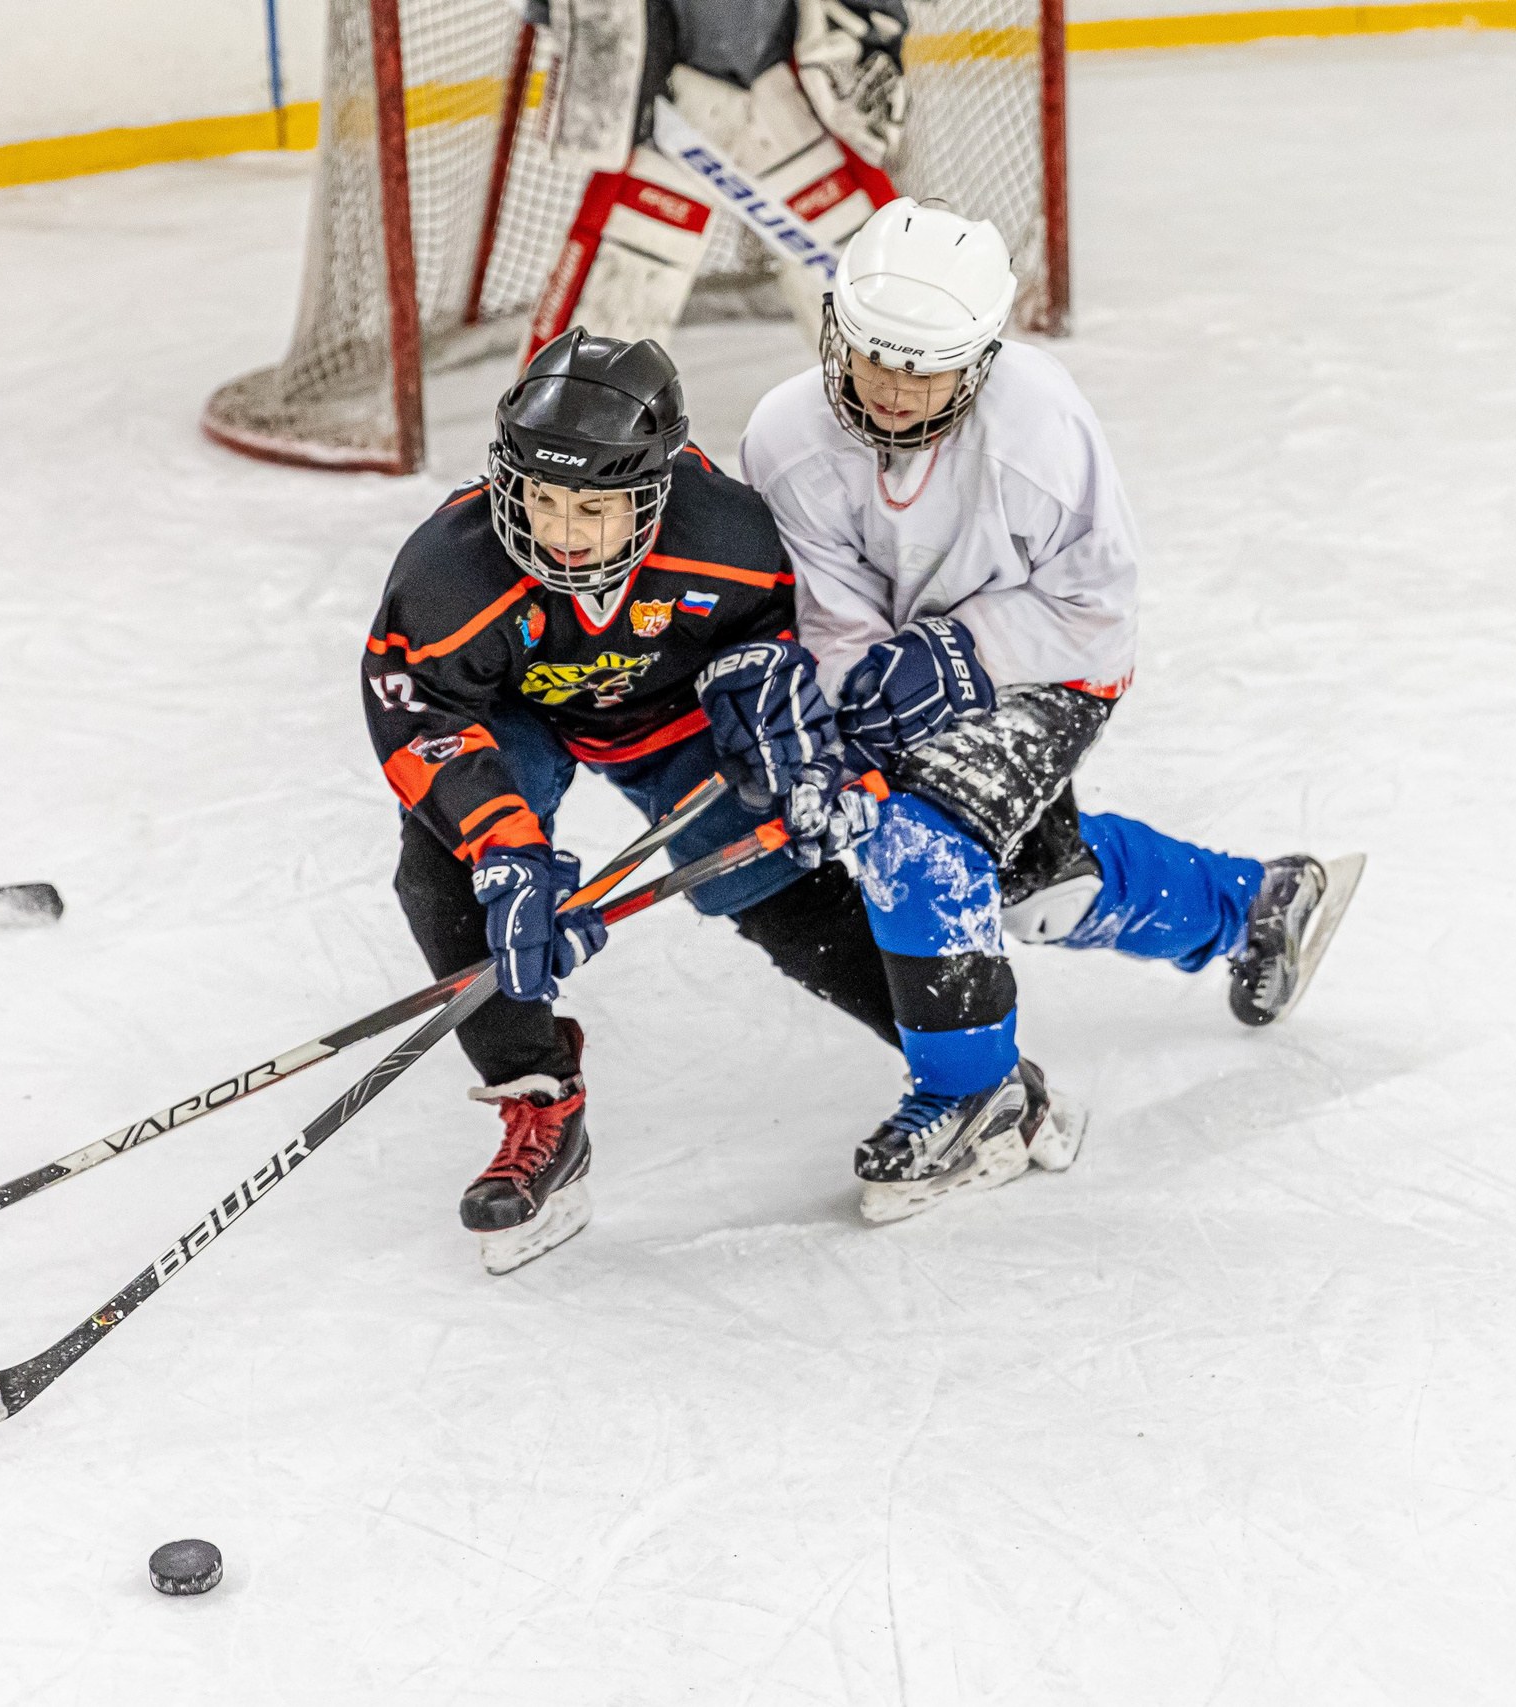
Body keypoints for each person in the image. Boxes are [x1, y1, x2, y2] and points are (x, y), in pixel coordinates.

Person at [736, 198, 1365, 1223]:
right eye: (873, 356)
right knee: (1036, 892)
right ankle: (1256, 904)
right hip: (891, 671)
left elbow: (1098, 615)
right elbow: (826, 607)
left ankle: (969, 1096)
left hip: (1048, 670)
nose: (893, 390)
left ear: (980, 360)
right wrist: (854, 704)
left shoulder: (1040, 427)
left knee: (912, 843)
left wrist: (965, 651)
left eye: (926, 367)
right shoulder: (784, 434)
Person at [362, 327, 898, 1274]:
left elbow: (809, 630)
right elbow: (423, 718)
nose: (562, 528)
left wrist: (775, 694)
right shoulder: (449, 567)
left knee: (775, 879)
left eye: (594, 507)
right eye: (543, 497)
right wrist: (504, 850)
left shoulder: (733, 535)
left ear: (654, 493)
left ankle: (949, 1055)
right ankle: (543, 1106)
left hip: (678, 716)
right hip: (519, 721)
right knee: (451, 872)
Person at [521, 0, 910, 359]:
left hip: (783, 96)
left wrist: (872, 31)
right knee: (593, 346)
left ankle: (913, 426)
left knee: (892, 318)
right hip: (668, 104)